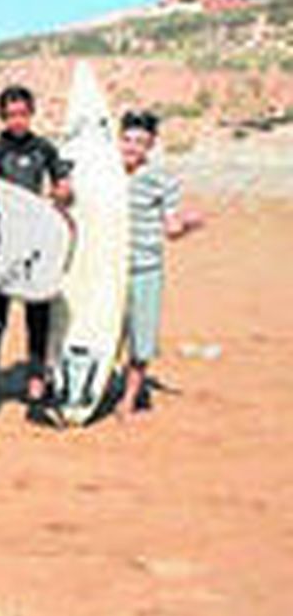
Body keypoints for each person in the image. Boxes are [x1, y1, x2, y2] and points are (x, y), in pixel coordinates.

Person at [0, 85, 72, 422]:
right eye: (10, 114)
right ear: (2, 117)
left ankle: (36, 391)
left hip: (37, 248)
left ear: (31, 113)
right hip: (3, 247)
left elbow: (62, 183)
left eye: (23, 114)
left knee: (38, 323)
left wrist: (63, 191)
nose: (17, 120)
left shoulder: (44, 148)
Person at [114, 110, 204, 421]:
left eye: (140, 142)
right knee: (102, 334)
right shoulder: (105, 175)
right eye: (127, 139)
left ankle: (127, 402)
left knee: (142, 339)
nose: (132, 147)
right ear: (118, 139)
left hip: (145, 268)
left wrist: (190, 225)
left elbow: (171, 229)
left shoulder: (162, 181)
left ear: (151, 145)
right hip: (109, 271)